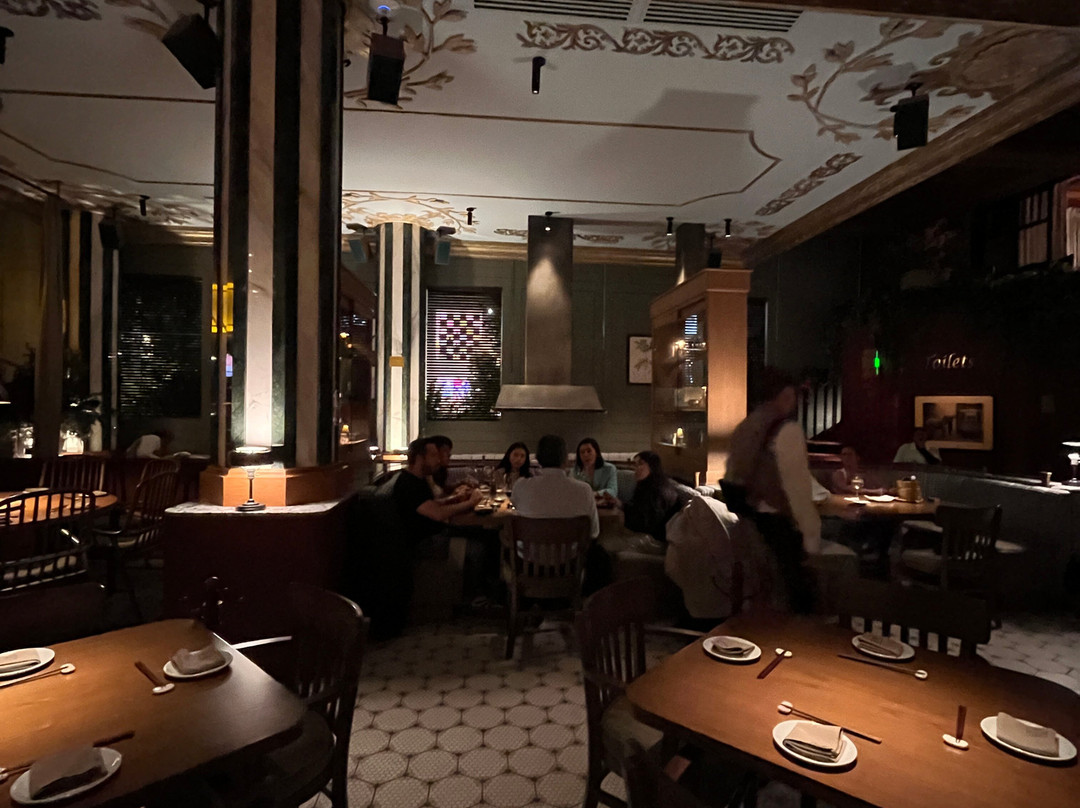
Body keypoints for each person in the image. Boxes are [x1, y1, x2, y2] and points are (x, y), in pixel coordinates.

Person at [723, 368, 819, 613]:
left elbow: (735, 472)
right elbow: (796, 491)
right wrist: (811, 534)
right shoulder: (786, 431)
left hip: (747, 525)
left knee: (762, 596)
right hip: (777, 526)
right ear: (786, 394)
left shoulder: (744, 427)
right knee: (797, 596)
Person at [393, 437, 482, 545]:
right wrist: (471, 502)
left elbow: (431, 504)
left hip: (437, 533)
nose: (438, 460)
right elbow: (437, 514)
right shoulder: (408, 483)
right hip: (427, 542)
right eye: (433, 455)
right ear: (420, 458)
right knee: (485, 541)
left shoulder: (419, 479)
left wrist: (455, 498)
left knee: (485, 532)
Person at [513, 434, 599, 538]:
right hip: (572, 548)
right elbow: (594, 532)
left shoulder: (520, 486)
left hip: (529, 547)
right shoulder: (584, 490)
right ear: (566, 459)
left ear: (538, 459)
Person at [621, 451, 691, 544]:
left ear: (652, 466)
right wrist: (621, 505)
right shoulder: (645, 485)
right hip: (645, 530)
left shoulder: (659, 490)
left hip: (657, 539)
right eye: (635, 464)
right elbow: (637, 508)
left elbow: (648, 524)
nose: (636, 468)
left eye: (640, 464)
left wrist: (623, 515)